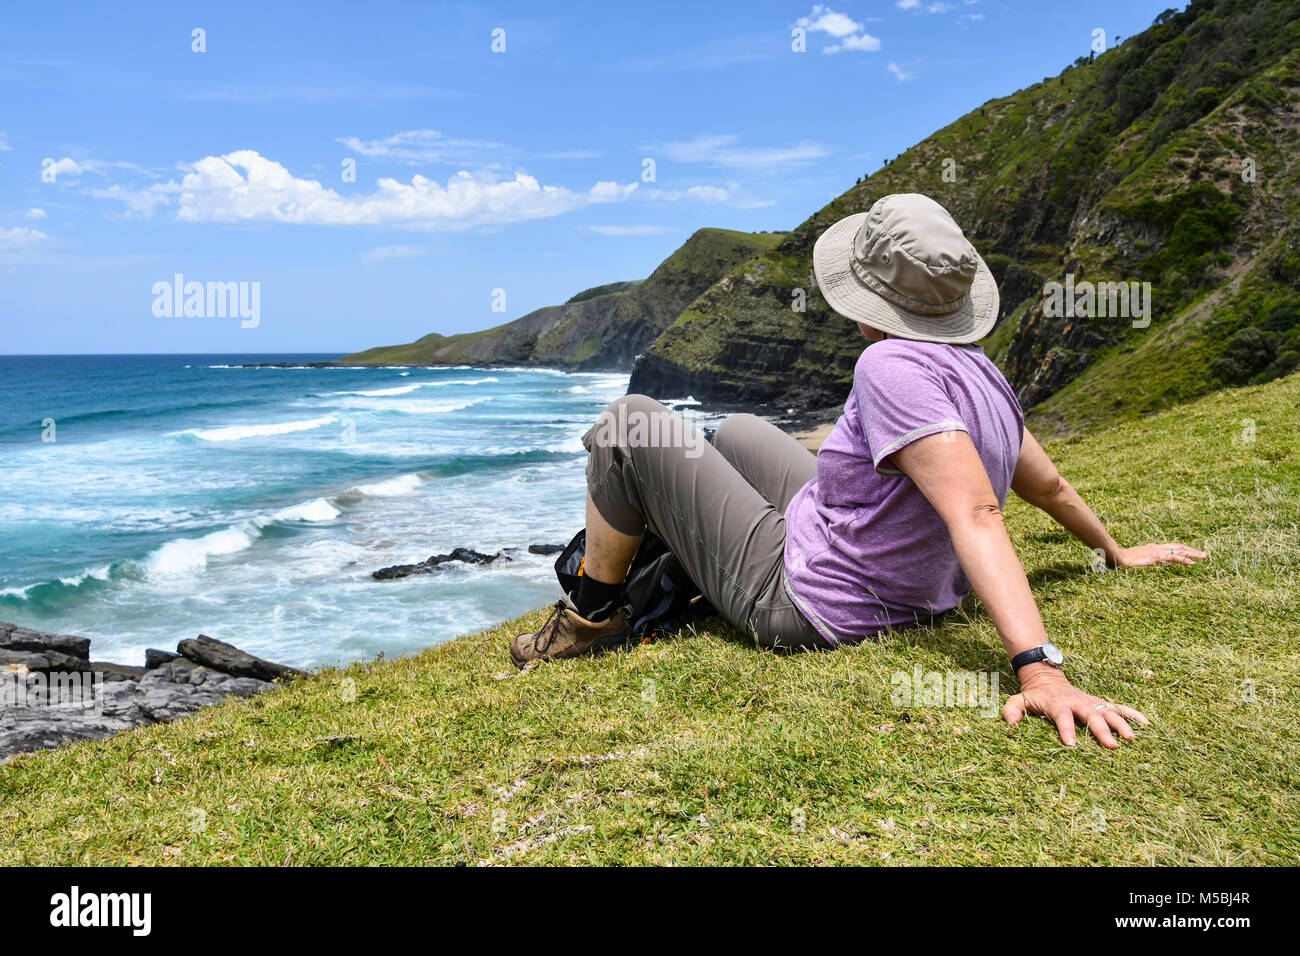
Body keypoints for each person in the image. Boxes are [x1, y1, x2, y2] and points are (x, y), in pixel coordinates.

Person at [511, 193, 1206, 749]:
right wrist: (1112, 550)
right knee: (745, 431)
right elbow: (1043, 484)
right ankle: (680, 557)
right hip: (872, 563)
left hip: (809, 602)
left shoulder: (887, 365)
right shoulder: (979, 369)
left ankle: (591, 617)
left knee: (628, 422)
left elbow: (977, 512)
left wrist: (1040, 668)